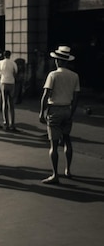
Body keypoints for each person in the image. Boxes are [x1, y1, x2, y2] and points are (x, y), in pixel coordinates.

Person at [39, 46, 80, 185]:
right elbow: (76, 98)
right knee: (67, 140)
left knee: (54, 145)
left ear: (58, 61)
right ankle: (68, 169)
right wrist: (72, 113)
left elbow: (46, 95)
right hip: (67, 109)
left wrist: (41, 112)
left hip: (54, 110)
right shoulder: (74, 76)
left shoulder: (53, 75)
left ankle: (55, 174)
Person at [0, 50, 18, 131]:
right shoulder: (13, 63)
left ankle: (6, 123)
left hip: (3, 82)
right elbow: (15, 73)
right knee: (11, 104)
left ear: (3, 55)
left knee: (4, 103)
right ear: (10, 55)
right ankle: (12, 123)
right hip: (11, 83)